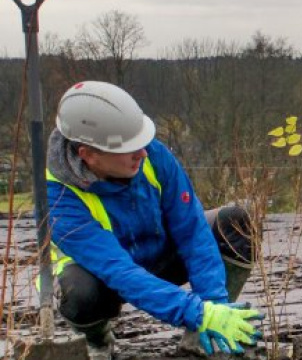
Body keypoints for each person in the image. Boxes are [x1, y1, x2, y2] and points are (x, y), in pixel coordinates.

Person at [45, 81, 263, 359]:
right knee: (77, 291)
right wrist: (194, 312)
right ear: (88, 155)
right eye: (129, 148)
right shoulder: (58, 197)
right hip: (103, 278)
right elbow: (119, 271)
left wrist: (213, 307)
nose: (143, 153)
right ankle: (97, 341)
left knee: (235, 223)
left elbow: (192, 231)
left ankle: (203, 337)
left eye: (142, 142)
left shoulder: (151, 153)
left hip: (159, 256)